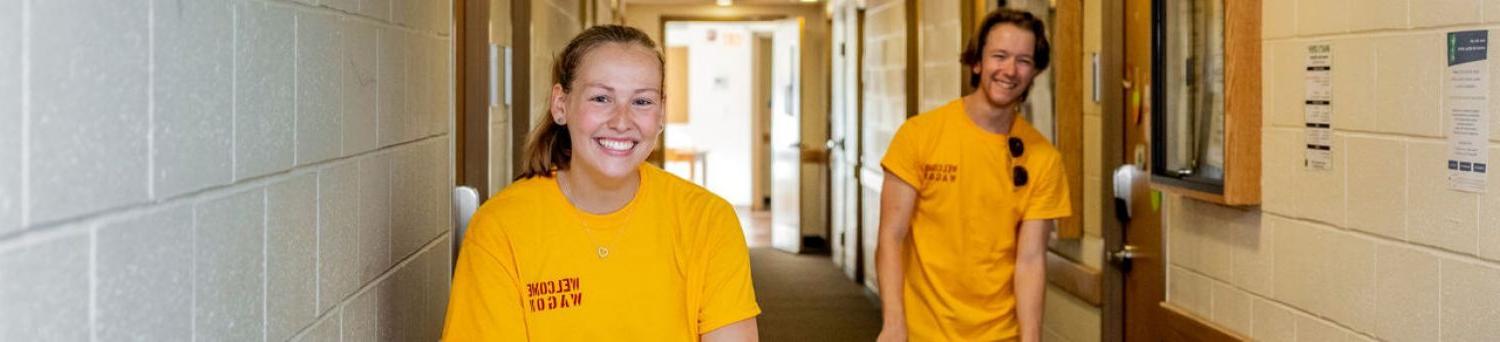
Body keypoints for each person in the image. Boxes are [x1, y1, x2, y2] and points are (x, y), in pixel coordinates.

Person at [443, 25, 760, 341]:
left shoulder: (708, 220)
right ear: (560, 105)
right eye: (601, 98)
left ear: (661, 112)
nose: (622, 121)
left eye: (642, 102)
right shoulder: (501, 227)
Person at [875, 9, 1071, 342]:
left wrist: (1031, 338)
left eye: (1023, 60)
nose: (1010, 70)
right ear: (977, 62)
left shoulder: (1043, 159)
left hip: (999, 335)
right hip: (923, 332)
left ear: (1035, 71)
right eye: (1000, 56)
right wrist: (894, 323)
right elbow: (891, 236)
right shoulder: (920, 135)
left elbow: (1031, 259)